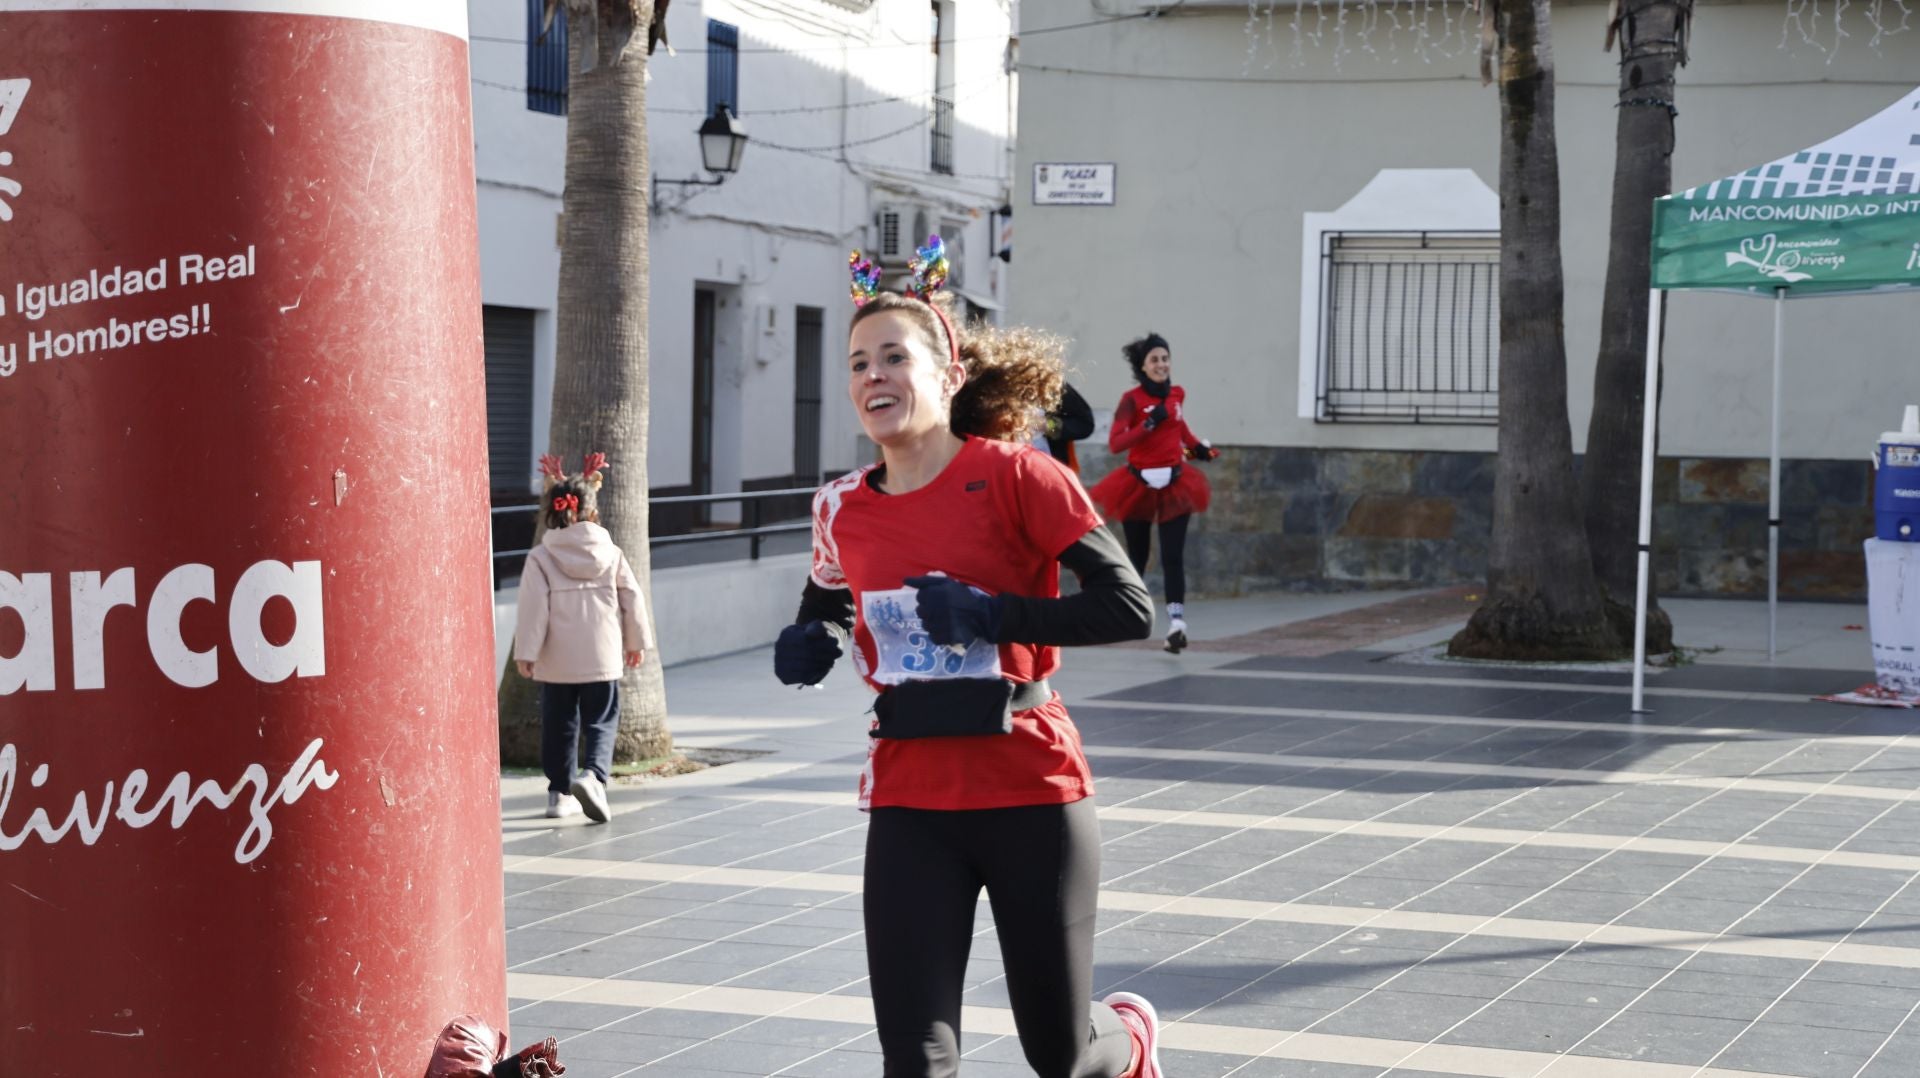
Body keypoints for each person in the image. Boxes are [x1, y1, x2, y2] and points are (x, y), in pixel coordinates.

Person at [773, 239, 1166, 1078]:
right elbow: (831, 594)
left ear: (949, 375)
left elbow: (1127, 606)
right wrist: (817, 637)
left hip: (1031, 788)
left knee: (1058, 1055)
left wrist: (993, 614)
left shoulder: (1023, 476)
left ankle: (1128, 1040)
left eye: (893, 357)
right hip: (911, 793)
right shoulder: (839, 506)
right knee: (914, 1059)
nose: (873, 376)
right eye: (857, 364)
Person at [513, 452, 652, 823]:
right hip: (602, 655)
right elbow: (631, 597)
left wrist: (526, 652)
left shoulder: (541, 557)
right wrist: (636, 643)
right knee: (601, 720)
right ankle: (593, 776)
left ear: (552, 513)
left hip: (556, 660)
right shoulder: (612, 553)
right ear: (592, 513)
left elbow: (532, 609)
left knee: (559, 724)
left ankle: (558, 794)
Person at [1087, 333, 1220, 654]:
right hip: (1138, 487)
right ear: (1143, 367)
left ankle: (1177, 625)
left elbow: (1180, 429)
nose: (1161, 364)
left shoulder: (1177, 394)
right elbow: (1117, 443)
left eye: (1165, 358)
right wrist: (1147, 424)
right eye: (1155, 360)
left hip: (1176, 484)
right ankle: (1128, 615)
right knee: (1137, 557)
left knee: (1173, 558)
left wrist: (1198, 448)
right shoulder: (1130, 400)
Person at [1035, 381, 1095, 474]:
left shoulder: (1051, 383)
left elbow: (1084, 424)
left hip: (1051, 471)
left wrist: (1048, 425)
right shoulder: (1004, 385)